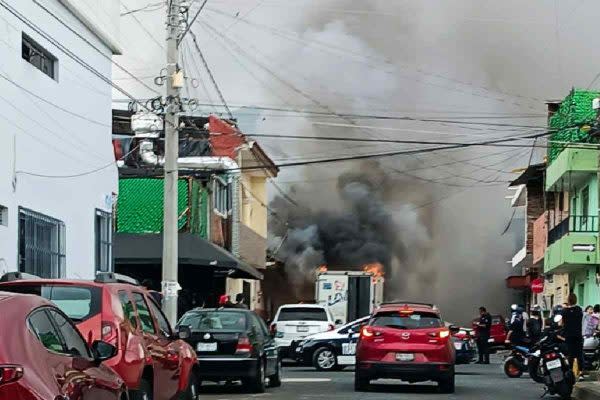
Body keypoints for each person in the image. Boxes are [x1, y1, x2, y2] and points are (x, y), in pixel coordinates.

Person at [562, 293, 584, 376]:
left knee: (570, 354)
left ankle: (570, 372)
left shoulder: (565, 311)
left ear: (568, 300)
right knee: (579, 354)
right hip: (578, 334)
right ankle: (581, 372)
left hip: (568, 335)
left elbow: (562, 323)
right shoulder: (579, 309)